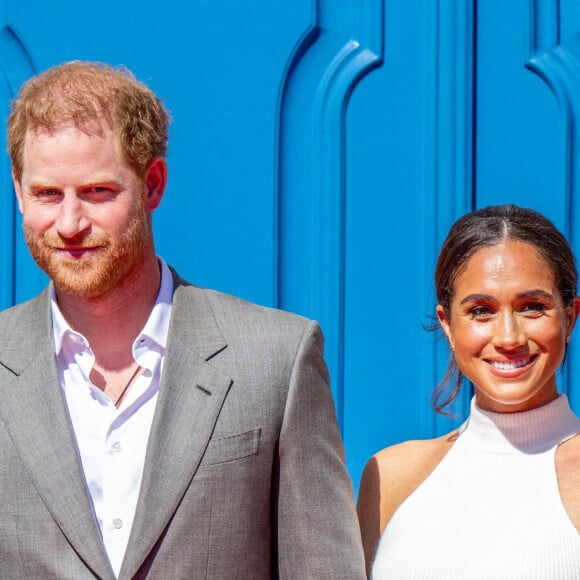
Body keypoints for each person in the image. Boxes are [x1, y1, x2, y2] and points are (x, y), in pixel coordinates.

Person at [0, 61, 366, 579]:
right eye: (46, 194)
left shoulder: (275, 360)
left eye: (97, 192)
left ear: (153, 184)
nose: (69, 223)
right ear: (18, 191)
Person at [357, 204, 580, 579]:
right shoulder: (391, 477)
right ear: (447, 324)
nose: (508, 337)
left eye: (532, 307)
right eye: (481, 311)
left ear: (569, 316)